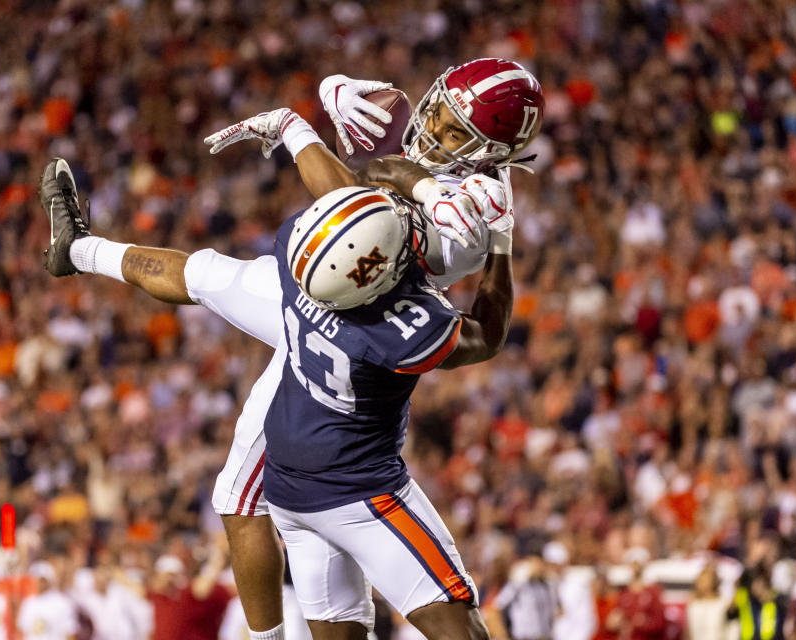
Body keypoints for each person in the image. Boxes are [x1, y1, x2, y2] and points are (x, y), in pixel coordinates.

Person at [39, 144, 513, 638]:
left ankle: (77, 250)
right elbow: (489, 332)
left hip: (294, 491)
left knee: (200, 275)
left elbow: (351, 186)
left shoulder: (298, 261)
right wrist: (498, 237)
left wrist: (296, 129)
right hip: (360, 493)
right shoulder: (401, 332)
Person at [199, 57, 542, 639]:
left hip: (353, 326)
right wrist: (337, 96)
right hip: (327, 312)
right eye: (437, 107)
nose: (431, 127)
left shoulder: (474, 210)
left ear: (490, 152)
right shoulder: (443, 167)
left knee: (238, 490)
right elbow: (384, 172)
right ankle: (88, 253)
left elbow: (361, 211)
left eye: (455, 130)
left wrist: (297, 130)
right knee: (236, 493)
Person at [16, 561, 78, 640]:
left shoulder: (62, 602)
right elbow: (22, 631)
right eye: (35, 579)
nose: (38, 583)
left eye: (42, 580)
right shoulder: (28, 603)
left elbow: (70, 633)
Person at [726, 566, 788, 640]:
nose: (753, 588)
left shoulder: (779, 600)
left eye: (756, 583)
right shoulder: (751, 601)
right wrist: (737, 589)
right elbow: (730, 614)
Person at [685, 563, 728, 640]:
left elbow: (730, 629)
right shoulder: (693, 604)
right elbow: (689, 631)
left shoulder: (723, 603)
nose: (701, 583)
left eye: (705, 580)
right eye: (700, 580)